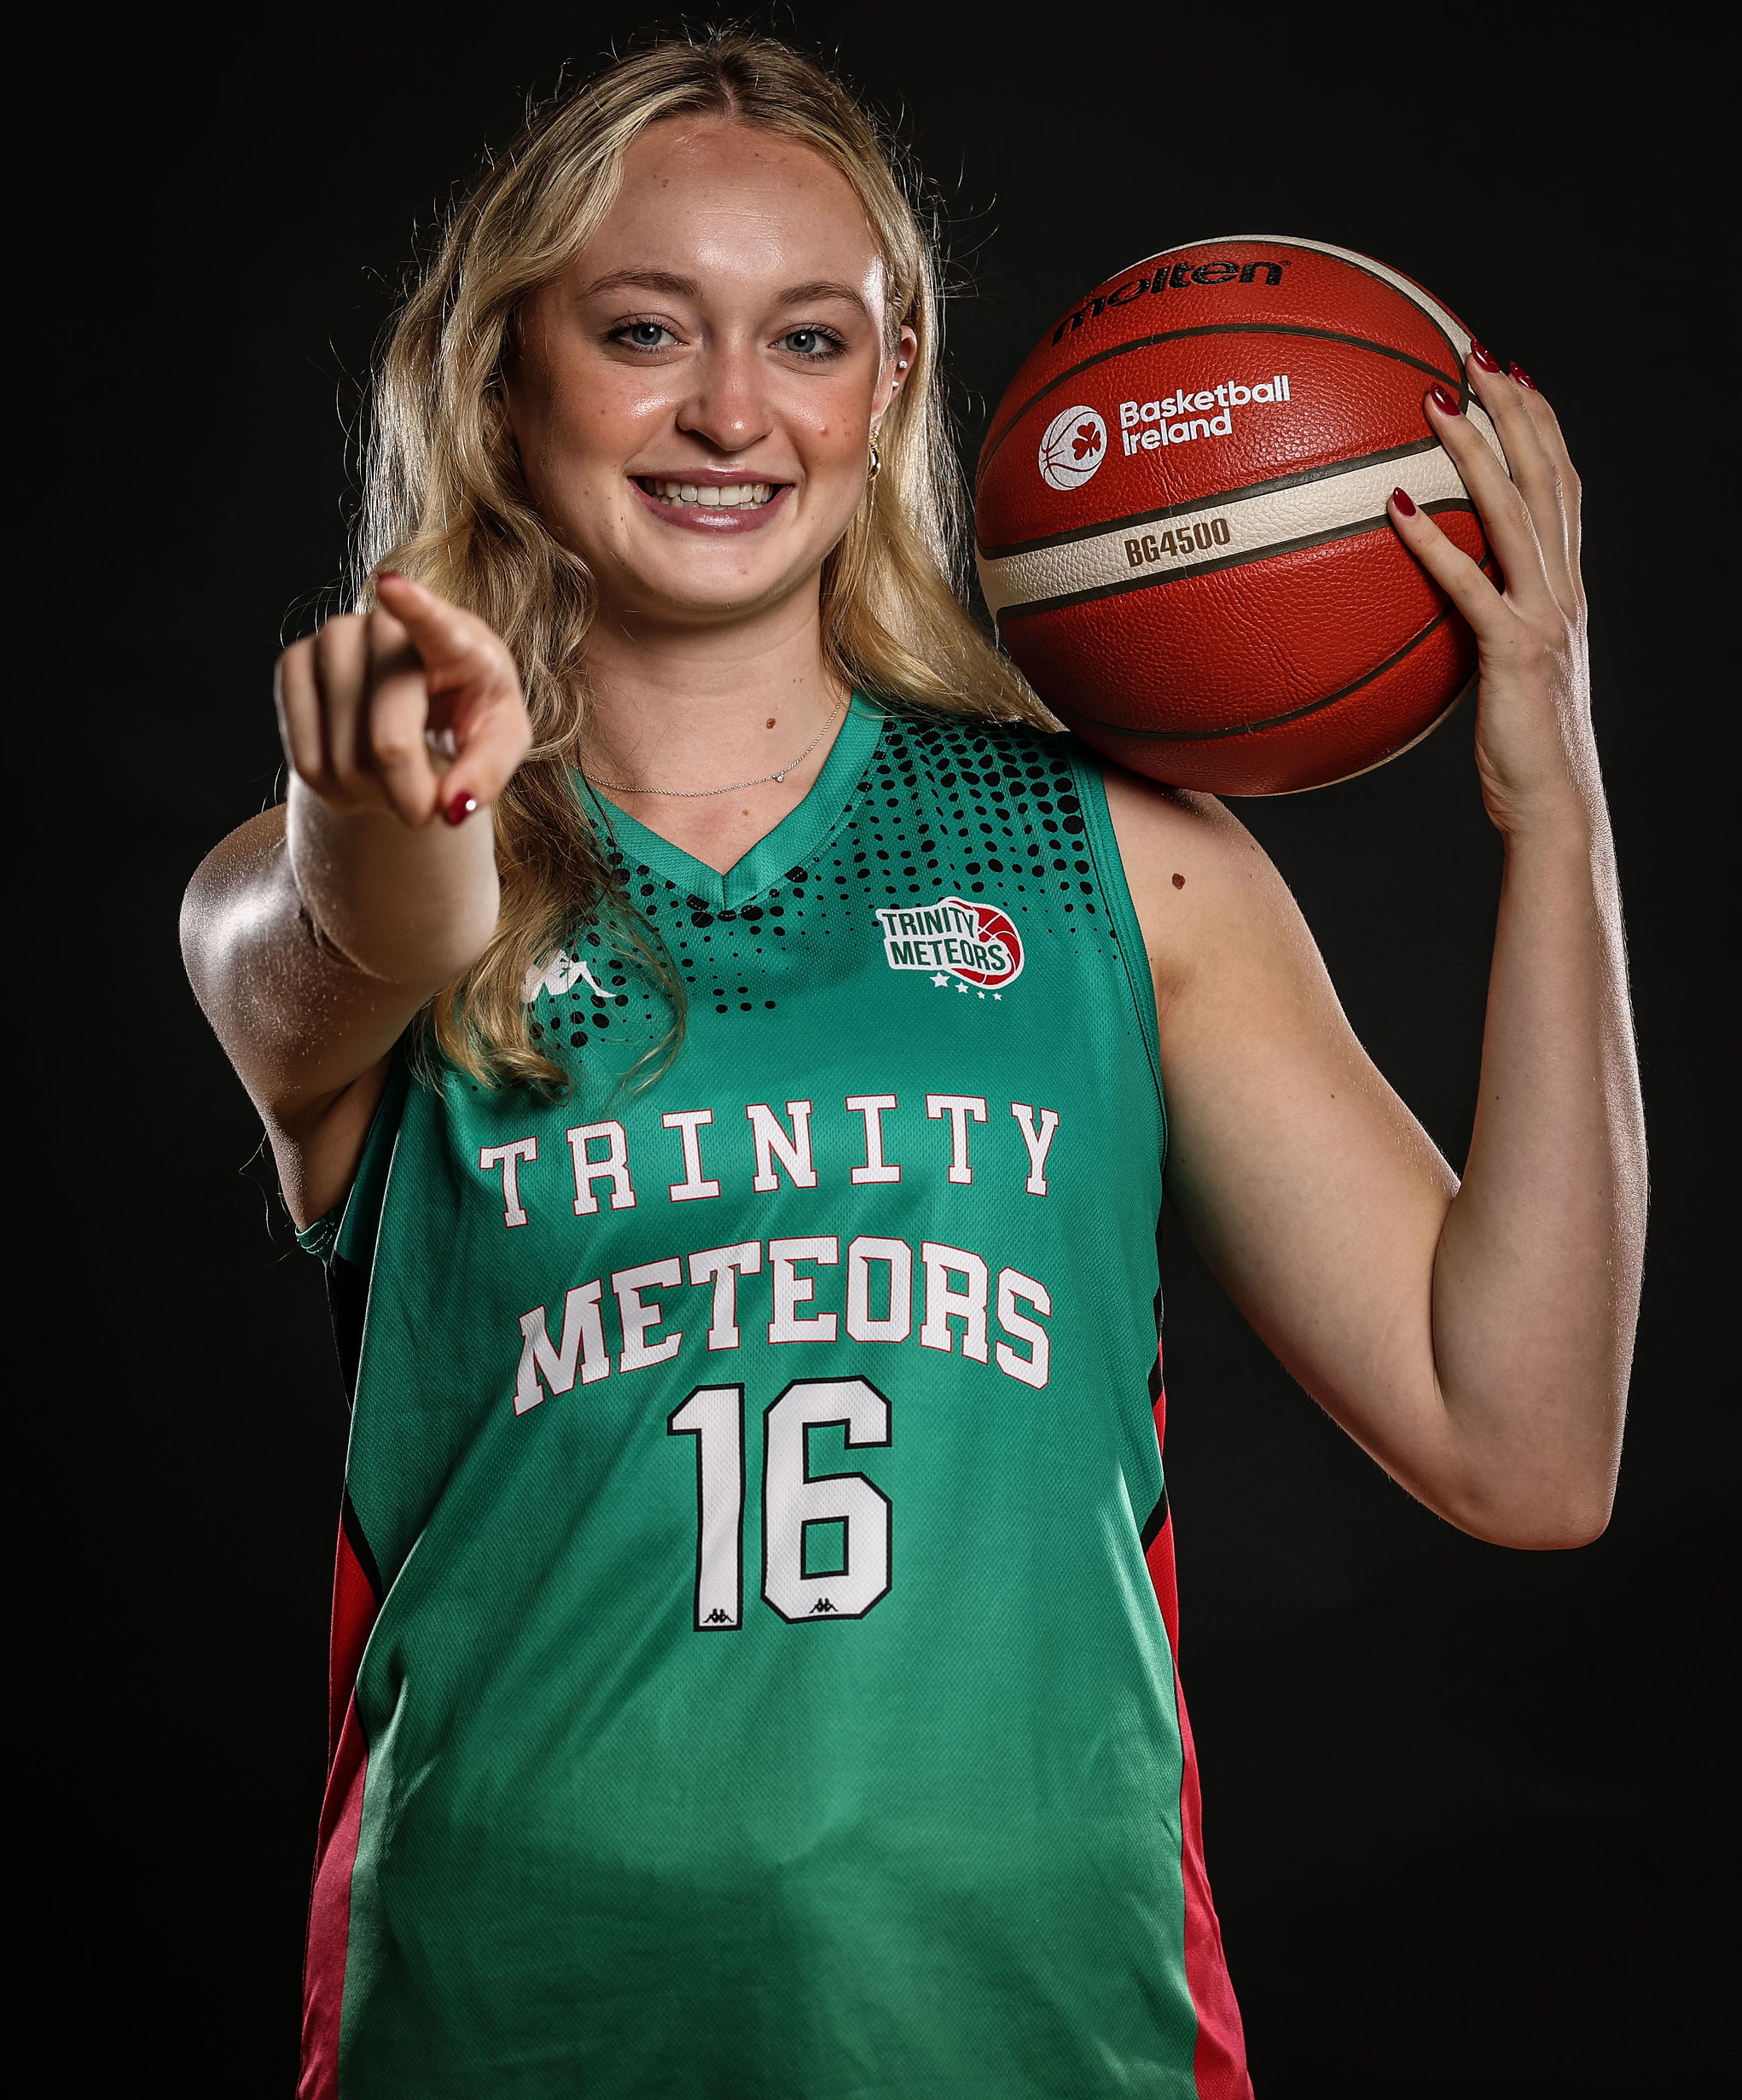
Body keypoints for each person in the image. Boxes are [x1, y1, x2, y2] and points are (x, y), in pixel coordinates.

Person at [181, 32, 1645, 2100]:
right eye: (641, 329)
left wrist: (1554, 806)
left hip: (1041, 2023)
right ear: (504, 376)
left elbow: (1522, 1441)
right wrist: (391, 797)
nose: (728, 410)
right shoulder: (311, 886)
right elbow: (378, 926)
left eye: (805, 336)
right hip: (503, 2016)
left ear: (890, 383)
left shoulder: (1122, 863)